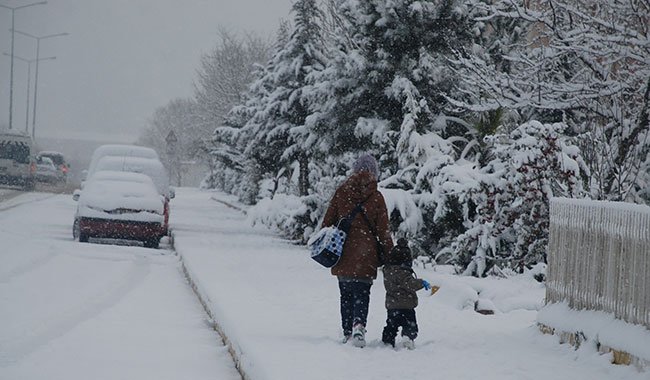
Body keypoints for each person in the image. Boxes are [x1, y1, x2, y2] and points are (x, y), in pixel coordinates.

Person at [321, 153, 393, 348]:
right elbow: (383, 231)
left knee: (345, 294)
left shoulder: (341, 192)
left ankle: (347, 332)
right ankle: (358, 326)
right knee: (362, 293)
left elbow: (326, 223)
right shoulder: (377, 197)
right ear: (374, 173)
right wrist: (390, 254)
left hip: (343, 252)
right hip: (366, 254)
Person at [381, 238, 431, 350]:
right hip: (407, 306)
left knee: (391, 326)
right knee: (410, 325)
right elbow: (410, 284)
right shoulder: (404, 273)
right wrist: (421, 283)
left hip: (392, 306)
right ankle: (408, 338)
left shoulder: (388, 272)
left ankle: (388, 341)